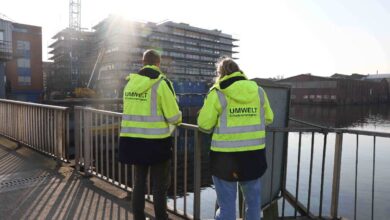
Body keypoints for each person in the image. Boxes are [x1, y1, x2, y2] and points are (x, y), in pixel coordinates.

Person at [197, 57, 274, 220]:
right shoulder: (258, 91)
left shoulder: (218, 92)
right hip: (253, 156)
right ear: (239, 71)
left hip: (225, 159)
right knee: (253, 205)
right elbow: (269, 118)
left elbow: (204, 124)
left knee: (226, 208)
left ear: (221, 73)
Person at [119, 49, 182, 220]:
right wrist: (178, 116)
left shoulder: (130, 83)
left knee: (139, 182)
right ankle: (161, 217)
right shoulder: (161, 83)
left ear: (143, 62)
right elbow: (174, 116)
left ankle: (138, 216)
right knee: (159, 185)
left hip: (133, 141)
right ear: (158, 63)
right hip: (157, 143)